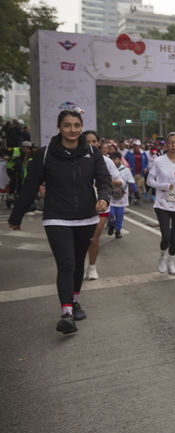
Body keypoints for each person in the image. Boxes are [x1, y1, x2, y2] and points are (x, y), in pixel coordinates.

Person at [8, 109, 111, 334]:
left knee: (77, 260)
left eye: (76, 125)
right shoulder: (45, 154)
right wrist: (17, 216)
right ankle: (66, 313)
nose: (72, 129)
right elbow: (29, 186)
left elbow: (104, 180)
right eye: (67, 125)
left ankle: (74, 301)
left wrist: (103, 198)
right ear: (59, 128)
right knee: (66, 263)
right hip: (57, 217)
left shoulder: (93, 153)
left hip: (86, 217)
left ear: (81, 127)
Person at [146, 132, 175, 275]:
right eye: (170, 142)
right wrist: (164, 186)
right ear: (166, 144)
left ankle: (171, 262)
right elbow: (149, 181)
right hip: (162, 203)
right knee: (166, 235)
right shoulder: (159, 161)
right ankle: (162, 257)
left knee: (174, 235)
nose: (173, 145)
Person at [85, 132, 122, 280]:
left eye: (94, 141)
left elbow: (119, 181)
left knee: (93, 238)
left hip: (101, 204)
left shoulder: (106, 161)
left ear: (99, 143)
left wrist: (103, 181)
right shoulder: (75, 160)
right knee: (81, 240)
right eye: (87, 141)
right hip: (81, 205)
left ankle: (92, 267)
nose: (91, 144)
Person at [107, 151, 135, 239]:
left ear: (120, 160)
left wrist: (135, 193)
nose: (114, 161)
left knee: (119, 215)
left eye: (115, 159)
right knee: (110, 213)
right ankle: (111, 224)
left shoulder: (126, 170)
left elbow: (131, 182)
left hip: (122, 196)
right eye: (112, 159)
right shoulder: (107, 168)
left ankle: (118, 231)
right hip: (110, 196)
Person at [124, 140, 148, 205]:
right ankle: (128, 199)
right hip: (132, 173)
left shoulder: (143, 153)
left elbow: (146, 162)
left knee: (138, 187)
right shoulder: (129, 153)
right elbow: (124, 161)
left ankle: (136, 200)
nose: (136, 147)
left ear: (139, 146)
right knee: (131, 187)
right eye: (135, 145)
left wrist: (146, 168)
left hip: (141, 173)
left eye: (137, 146)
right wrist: (128, 167)